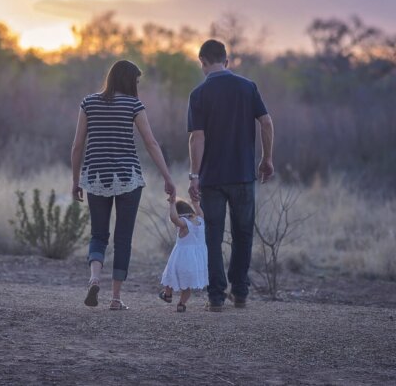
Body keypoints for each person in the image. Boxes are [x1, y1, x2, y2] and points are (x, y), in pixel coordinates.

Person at [71, 60, 176, 311]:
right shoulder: (134, 105)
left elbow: (77, 146)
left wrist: (76, 181)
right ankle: (116, 298)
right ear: (129, 81)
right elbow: (150, 143)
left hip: (96, 176)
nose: (138, 86)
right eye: (137, 81)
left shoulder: (89, 103)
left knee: (98, 234)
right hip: (128, 177)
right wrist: (167, 177)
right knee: (123, 238)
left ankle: (95, 278)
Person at [187, 39, 275, 312]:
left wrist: (194, 175)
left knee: (212, 236)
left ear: (202, 61)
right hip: (243, 174)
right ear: (226, 60)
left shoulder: (199, 94)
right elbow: (267, 122)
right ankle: (240, 292)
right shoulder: (247, 87)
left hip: (212, 178)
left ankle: (215, 297)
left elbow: (196, 138)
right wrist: (266, 158)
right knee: (243, 234)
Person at [159, 197, 208, 313]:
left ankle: (168, 294)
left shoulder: (184, 224)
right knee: (187, 286)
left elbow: (174, 218)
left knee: (170, 276)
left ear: (180, 214)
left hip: (181, 259)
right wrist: (195, 203)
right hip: (196, 262)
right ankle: (181, 304)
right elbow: (200, 211)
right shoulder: (200, 220)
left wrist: (171, 204)